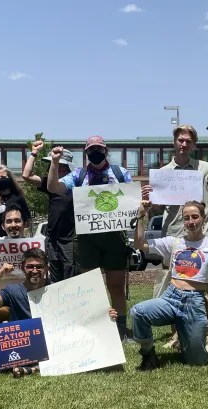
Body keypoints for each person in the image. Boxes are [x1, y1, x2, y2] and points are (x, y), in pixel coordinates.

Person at [140, 124, 208, 353]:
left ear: (193, 144)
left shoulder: (204, 167)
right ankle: (175, 335)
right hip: (173, 237)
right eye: (180, 140)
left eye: (188, 141)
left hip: (201, 238)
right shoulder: (165, 171)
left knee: (204, 288)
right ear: (174, 142)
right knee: (172, 287)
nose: (184, 144)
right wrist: (149, 201)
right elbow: (159, 205)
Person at [0, 248, 118, 377]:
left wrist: (105, 314)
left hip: (55, 342)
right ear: (23, 268)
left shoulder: (58, 290)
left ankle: (33, 368)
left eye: (39, 266)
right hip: (26, 345)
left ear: (46, 269)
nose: (35, 270)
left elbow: (81, 314)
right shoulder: (12, 291)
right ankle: (35, 366)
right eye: (30, 266)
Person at [47, 136, 134, 342]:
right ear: (86, 154)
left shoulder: (120, 173)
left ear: (105, 150)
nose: (95, 152)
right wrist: (54, 162)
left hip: (115, 237)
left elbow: (132, 198)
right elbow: (53, 187)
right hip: (87, 238)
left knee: (116, 287)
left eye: (99, 149)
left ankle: (121, 331)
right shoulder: (79, 174)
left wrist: (142, 204)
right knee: (90, 287)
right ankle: (96, 327)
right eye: (91, 149)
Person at [130, 200, 208, 370]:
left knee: (196, 362)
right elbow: (139, 244)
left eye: (195, 217)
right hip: (171, 298)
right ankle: (148, 354)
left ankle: (186, 339)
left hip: (195, 304)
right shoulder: (173, 243)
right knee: (138, 312)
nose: (191, 222)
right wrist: (141, 216)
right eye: (186, 218)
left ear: (203, 218)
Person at [22, 140, 77, 283]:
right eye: (53, 165)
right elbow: (26, 175)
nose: (54, 169)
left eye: (58, 166)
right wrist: (34, 152)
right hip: (52, 239)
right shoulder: (50, 183)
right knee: (55, 277)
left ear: (66, 168)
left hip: (70, 239)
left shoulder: (76, 184)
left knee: (70, 275)